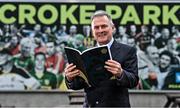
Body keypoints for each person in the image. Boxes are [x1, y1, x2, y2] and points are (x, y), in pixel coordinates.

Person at [64, 10, 139, 107]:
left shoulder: (128, 51)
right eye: (96, 27)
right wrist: (69, 78)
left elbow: (134, 81)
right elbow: (77, 85)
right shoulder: (85, 54)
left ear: (113, 28)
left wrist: (120, 74)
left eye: (104, 26)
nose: (100, 30)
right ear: (92, 31)